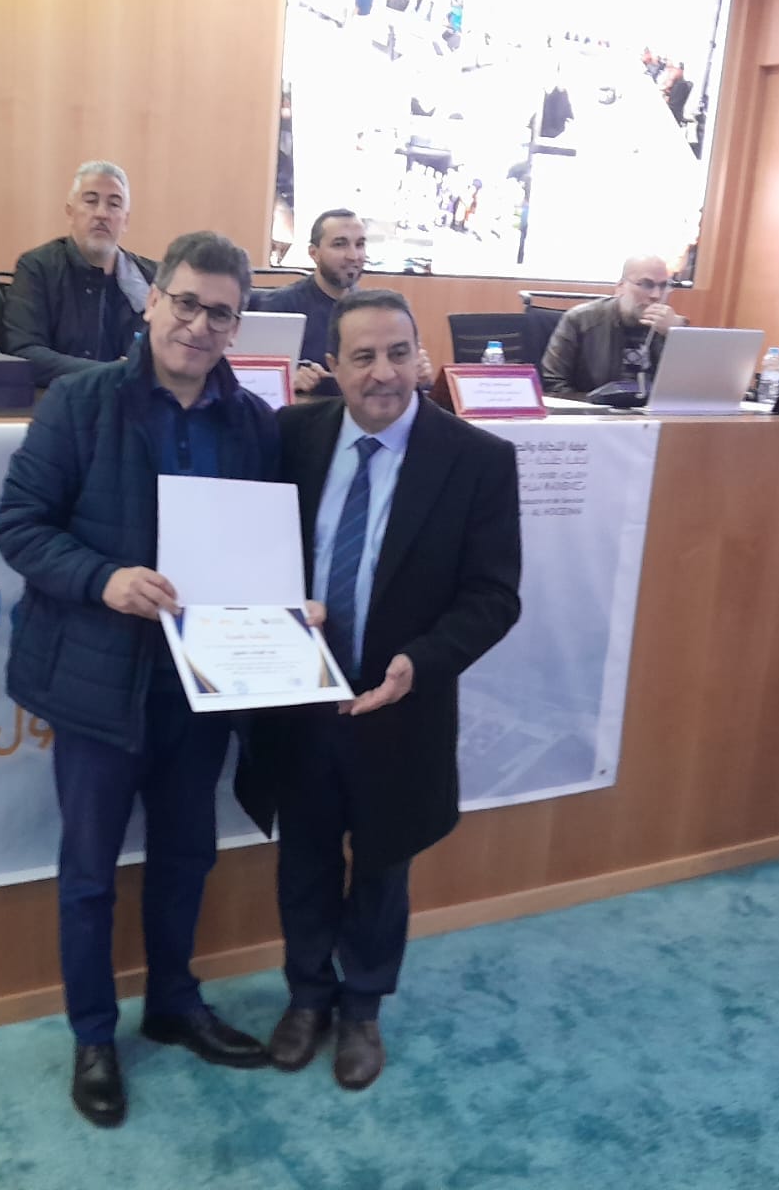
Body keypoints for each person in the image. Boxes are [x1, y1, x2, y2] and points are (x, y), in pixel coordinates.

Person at [0, 231, 278, 1129]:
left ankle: (173, 1004)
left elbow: (265, 549)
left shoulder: (254, 422)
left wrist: (288, 607)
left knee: (187, 855)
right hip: (97, 678)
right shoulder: (80, 403)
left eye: (220, 313)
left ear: (237, 326)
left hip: (203, 683)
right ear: (152, 301)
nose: (198, 325)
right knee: (88, 872)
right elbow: (19, 525)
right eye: (185, 303)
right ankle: (92, 1036)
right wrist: (103, 579)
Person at [235, 289, 521, 1092]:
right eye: (363, 357)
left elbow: (494, 596)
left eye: (399, 353)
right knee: (303, 855)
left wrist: (419, 664)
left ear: (421, 358)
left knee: (383, 861)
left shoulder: (477, 459)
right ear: (334, 366)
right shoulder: (289, 436)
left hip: (400, 704)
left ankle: (362, 1005)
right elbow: (245, 551)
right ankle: (307, 996)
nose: (384, 373)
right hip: (299, 697)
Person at [2, 160, 157, 387]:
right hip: (57, 400)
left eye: (114, 204)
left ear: (125, 220)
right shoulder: (38, 267)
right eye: (91, 201)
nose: (102, 213)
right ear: (70, 212)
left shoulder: (152, 279)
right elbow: (23, 353)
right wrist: (112, 373)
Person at [251, 209, 433, 393]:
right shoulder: (280, 306)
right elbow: (252, 380)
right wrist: (284, 380)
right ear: (314, 253)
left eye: (360, 244)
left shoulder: (373, 311)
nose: (353, 255)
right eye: (340, 245)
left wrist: (417, 375)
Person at [539, 254, 687, 400]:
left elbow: (687, 390)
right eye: (646, 284)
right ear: (620, 287)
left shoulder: (672, 327)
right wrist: (600, 405)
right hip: (595, 412)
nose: (656, 295)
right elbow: (553, 387)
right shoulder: (580, 320)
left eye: (663, 286)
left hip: (654, 413)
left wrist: (675, 336)